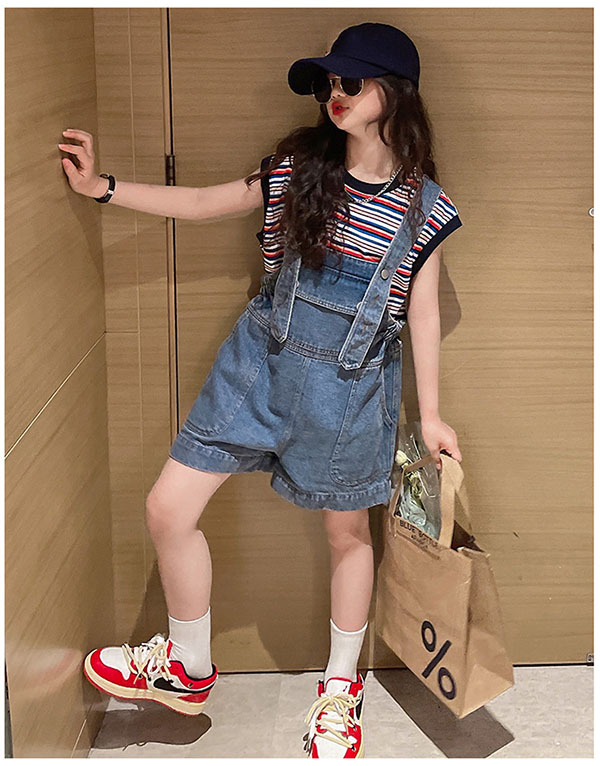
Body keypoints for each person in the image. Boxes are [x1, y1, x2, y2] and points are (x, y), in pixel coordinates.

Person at [59, 21, 463, 759]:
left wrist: (431, 415)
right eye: (327, 83)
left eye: (349, 81)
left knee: (347, 534)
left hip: (349, 390)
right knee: (167, 508)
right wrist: (102, 187)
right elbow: (205, 201)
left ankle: (340, 689)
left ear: (395, 92)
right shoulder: (297, 168)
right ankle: (188, 666)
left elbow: (425, 313)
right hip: (258, 367)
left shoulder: (424, 209)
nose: (334, 94)